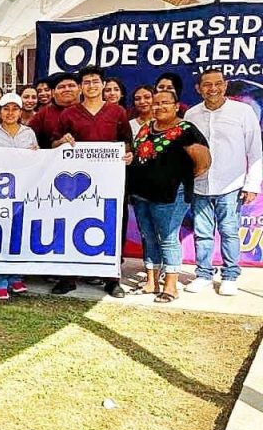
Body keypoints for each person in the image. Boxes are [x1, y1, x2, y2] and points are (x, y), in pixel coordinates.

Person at [55, 66, 133, 297]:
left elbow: (127, 143)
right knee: (72, 223)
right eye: (86, 82)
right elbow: (53, 144)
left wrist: (128, 155)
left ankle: (112, 278)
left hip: (110, 182)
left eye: (95, 81)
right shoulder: (69, 114)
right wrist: (61, 141)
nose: (91, 86)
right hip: (77, 185)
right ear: (80, 87)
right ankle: (68, 277)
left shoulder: (117, 112)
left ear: (103, 84)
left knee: (113, 224)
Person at [127, 88, 211, 303]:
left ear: (176, 106)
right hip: (141, 194)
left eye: (165, 103)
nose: (160, 107)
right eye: (156, 103)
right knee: (148, 236)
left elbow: (203, 162)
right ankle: (151, 282)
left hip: (170, 195)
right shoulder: (146, 128)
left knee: (167, 238)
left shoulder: (186, 130)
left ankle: (171, 287)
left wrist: (176, 178)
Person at [184, 69, 262, 295]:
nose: (213, 89)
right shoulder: (191, 114)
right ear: (199, 89)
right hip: (200, 184)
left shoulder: (243, 112)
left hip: (231, 184)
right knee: (202, 233)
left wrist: (251, 184)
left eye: (218, 83)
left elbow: (255, 150)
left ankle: (230, 276)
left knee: (229, 232)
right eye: (207, 85)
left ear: (225, 86)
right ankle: (203, 275)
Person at [0, 93, 37, 300]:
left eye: (15, 109)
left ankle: (15, 275)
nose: (10, 113)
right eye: (6, 109)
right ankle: (0, 278)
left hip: (22, 190)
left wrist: (38, 154)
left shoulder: (29, 133)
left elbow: (36, 161)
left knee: (19, 231)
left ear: (20, 112)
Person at [28, 72, 79, 150]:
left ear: (80, 89)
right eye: (61, 87)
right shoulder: (43, 114)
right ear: (53, 92)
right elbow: (27, 137)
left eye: (71, 86)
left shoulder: (88, 110)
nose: (67, 89)